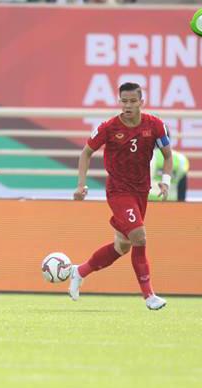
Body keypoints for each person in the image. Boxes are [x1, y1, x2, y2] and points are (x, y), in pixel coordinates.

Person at [70, 82, 172, 311]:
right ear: (119, 102)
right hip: (118, 191)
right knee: (140, 238)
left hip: (141, 190)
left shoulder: (155, 125)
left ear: (141, 102)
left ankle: (79, 271)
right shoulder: (108, 127)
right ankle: (149, 296)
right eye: (124, 101)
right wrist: (81, 185)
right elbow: (86, 153)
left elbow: (167, 156)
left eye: (132, 101)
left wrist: (165, 181)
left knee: (123, 245)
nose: (128, 106)